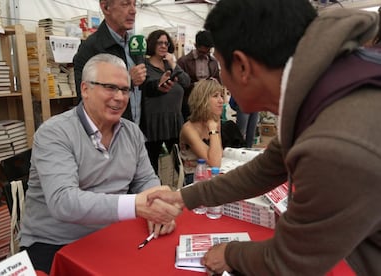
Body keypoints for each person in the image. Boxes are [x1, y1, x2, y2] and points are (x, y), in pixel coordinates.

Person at [147, 0, 381, 275]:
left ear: (243, 67)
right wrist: (185, 197)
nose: (221, 85)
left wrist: (230, 255)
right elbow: (265, 170)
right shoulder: (321, 87)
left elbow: (291, 261)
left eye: (221, 66)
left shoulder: (335, 143)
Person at [20, 54, 180, 274]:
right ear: (85, 89)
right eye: (109, 87)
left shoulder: (131, 132)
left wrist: (156, 206)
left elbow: (145, 179)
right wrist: (136, 205)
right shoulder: (54, 133)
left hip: (112, 234)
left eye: (125, 90)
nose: (119, 97)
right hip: (55, 242)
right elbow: (63, 202)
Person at [73, 0, 145, 124]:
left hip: (136, 131)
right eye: (125, 4)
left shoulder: (134, 44)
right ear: (106, 8)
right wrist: (129, 81)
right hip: (110, 133)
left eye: (135, 4)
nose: (133, 11)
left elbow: (141, 88)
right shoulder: (91, 48)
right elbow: (86, 98)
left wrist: (157, 86)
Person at [140, 30, 190, 174]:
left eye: (166, 43)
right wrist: (158, 84)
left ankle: (182, 191)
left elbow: (186, 82)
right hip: (153, 123)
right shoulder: (145, 64)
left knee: (179, 165)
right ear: (152, 44)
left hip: (174, 121)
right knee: (151, 167)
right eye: (159, 42)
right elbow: (146, 87)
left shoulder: (170, 65)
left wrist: (174, 65)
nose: (163, 46)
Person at [180, 79, 225, 185]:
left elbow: (219, 154)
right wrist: (213, 130)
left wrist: (214, 126)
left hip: (211, 173)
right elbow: (215, 163)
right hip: (194, 177)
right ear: (202, 100)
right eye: (215, 96)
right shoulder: (189, 128)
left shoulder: (214, 120)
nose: (221, 100)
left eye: (221, 96)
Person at [177, 30, 221, 121]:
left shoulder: (213, 62)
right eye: (201, 52)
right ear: (195, 45)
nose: (205, 54)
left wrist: (214, 82)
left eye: (207, 51)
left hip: (208, 105)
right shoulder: (183, 62)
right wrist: (195, 85)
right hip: (190, 104)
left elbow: (218, 81)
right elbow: (179, 85)